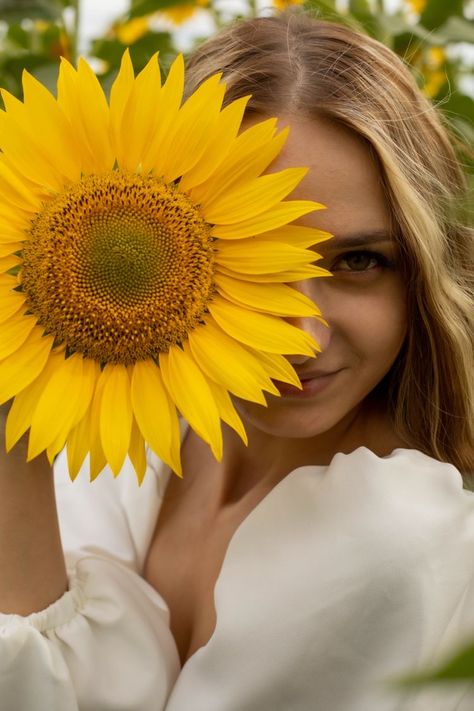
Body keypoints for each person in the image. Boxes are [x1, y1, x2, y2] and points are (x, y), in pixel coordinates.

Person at [1, 10, 473, 711]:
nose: (302, 337)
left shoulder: (388, 536)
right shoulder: (136, 430)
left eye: (360, 261)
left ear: (423, 275)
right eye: (252, 262)